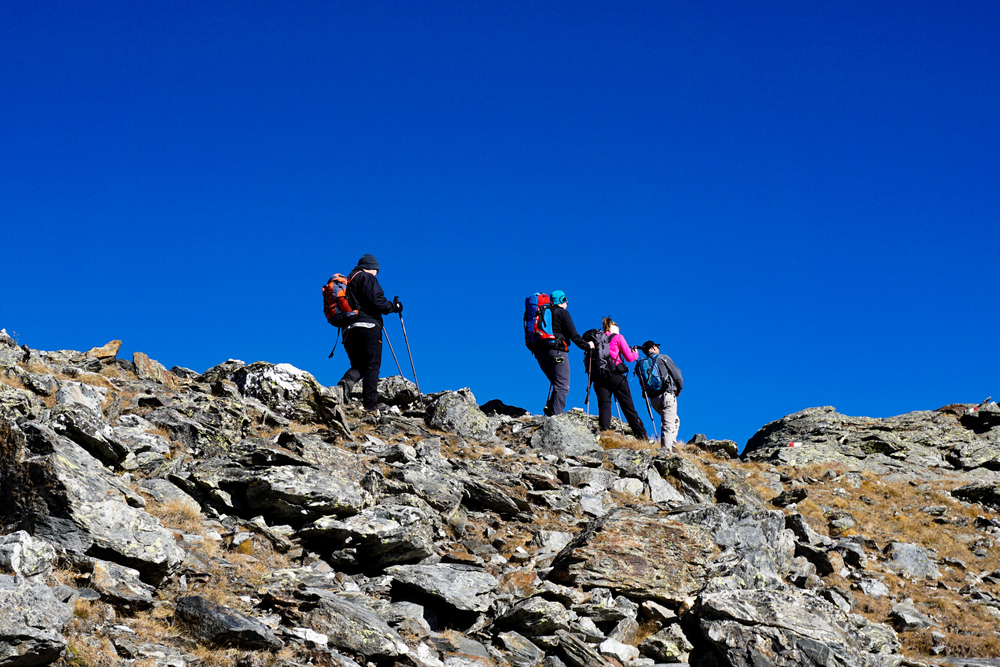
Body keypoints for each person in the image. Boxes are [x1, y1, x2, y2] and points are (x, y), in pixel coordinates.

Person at [336, 254, 403, 411]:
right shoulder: (366, 277)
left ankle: (346, 383)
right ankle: (371, 406)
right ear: (372, 267)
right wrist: (394, 307)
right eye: (377, 271)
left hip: (348, 330)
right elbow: (376, 300)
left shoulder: (348, 281)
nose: (376, 274)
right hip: (367, 326)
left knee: (359, 364)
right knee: (372, 365)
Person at [530, 290, 592, 416]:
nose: (567, 303)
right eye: (565, 300)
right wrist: (587, 346)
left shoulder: (542, 312)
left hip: (540, 354)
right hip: (557, 351)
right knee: (562, 385)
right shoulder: (562, 313)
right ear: (562, 300)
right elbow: (573, 335)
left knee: (557, 383)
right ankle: (557, 418)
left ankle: (551, 409)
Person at [591, 317, 648, 440]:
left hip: (599, 377)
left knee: (604, 406)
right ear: (615, 329)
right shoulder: (618, 338)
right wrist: (636, 353)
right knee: (628, 407)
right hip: (615, 375)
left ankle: (604, 435)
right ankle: (642, 437)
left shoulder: (597, 340)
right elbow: (629, 357)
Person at [640, 340, 683, 451]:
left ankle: (671, 446)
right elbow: (677, 375)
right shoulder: (662, 358)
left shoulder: (641, 363)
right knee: (668, 424)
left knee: (675, 420)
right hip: (666, 394)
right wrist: (678, 388)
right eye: (657, 346)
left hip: (653, 399)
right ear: (653, 347)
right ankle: (666, 452)